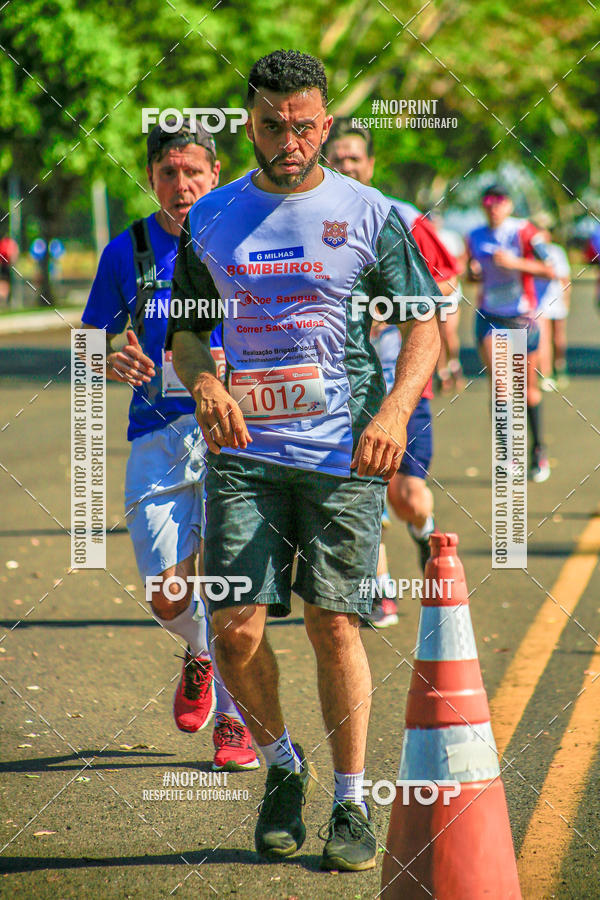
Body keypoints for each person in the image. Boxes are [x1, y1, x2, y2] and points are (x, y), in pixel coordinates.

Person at [167, 50, 444, 872]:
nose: (288, 139)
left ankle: (352, 800)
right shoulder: (211, 218)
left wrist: (395, 411)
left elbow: (423, 323)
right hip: (243, 456)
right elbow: (185, 331)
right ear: (247, 125)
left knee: (334, 624)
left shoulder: (368, 213)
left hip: (344, 454)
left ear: (325, 123)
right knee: (234, 628)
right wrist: (204, 378)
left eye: (304, 124)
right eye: (270, 124)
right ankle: (284, 766)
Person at [81, 117, 258, 772]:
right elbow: (89, 339)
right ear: (152, 177)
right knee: (166, 594)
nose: (181, 185)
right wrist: (107, 362)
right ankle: (199, 653)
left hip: (234, 432)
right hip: (156, 436)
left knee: (228, 584)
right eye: (168, 173)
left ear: (216, 174)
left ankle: (236, 721)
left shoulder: (243, 240)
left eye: (193, 172)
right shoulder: (125, 249)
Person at [326, 119, 460, 627]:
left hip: (404, 384)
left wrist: (395, 307)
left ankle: (425, 533)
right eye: (336, 159)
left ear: (371, 164)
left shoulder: (400, 217)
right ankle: (378, 587)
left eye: (353, 159)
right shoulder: (312, 218)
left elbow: (445, 286)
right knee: (365, 490)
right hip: (345, 390)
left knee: (406, 496)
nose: (345, 167)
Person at [468, 184, 556, 483]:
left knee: (527, 390)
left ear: (508, 205)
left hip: (520, 317)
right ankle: (507, 456)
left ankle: (538, 448)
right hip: (489, 316)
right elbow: (468, 271)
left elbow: (550, 269)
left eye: (499, 201)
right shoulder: (475, 236)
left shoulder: (525, 232)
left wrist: (514, 263)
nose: (493, 207)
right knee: (501, 388)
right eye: (488, 201)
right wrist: (472, 272)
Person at [428, 211, 467, 393]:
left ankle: (454, 364)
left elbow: (461, 264)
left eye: (436, 218)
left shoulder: (451, 238)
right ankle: (442, 373)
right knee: (436, 335)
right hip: (430, 294)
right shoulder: (422, 237)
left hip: (450, 295)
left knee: (448, 333)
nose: (433, 222)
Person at [534, 228, 571, 391]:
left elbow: (565, 278)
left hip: (556, 300)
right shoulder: (530, 253)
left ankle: (559, 365)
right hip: (539, 303)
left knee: (558, 338)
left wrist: (567, 299)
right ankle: (546, 374)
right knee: (543, 338)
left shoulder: (557, 251)